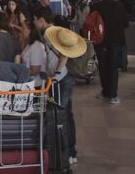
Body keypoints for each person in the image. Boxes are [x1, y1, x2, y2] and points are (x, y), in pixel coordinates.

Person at [34, 9, 85, 165]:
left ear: (41, 20)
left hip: (60, 80)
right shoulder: (55, 31)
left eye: (35, 20)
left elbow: (64, 54)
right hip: (65, 78)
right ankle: (70, 151)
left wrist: (55, 74)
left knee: (61, 117)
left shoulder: (49, 35)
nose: (35, 24)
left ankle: (65, 152)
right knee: (67, 116)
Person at [90, 0, 128, 104]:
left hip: (100, 42)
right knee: (113, 68)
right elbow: (125, 24)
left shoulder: (95, 6)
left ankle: (105, 91)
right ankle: (113, 95)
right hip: (115, 42)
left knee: (103, 66)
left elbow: (91, 24)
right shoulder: (119, 6)